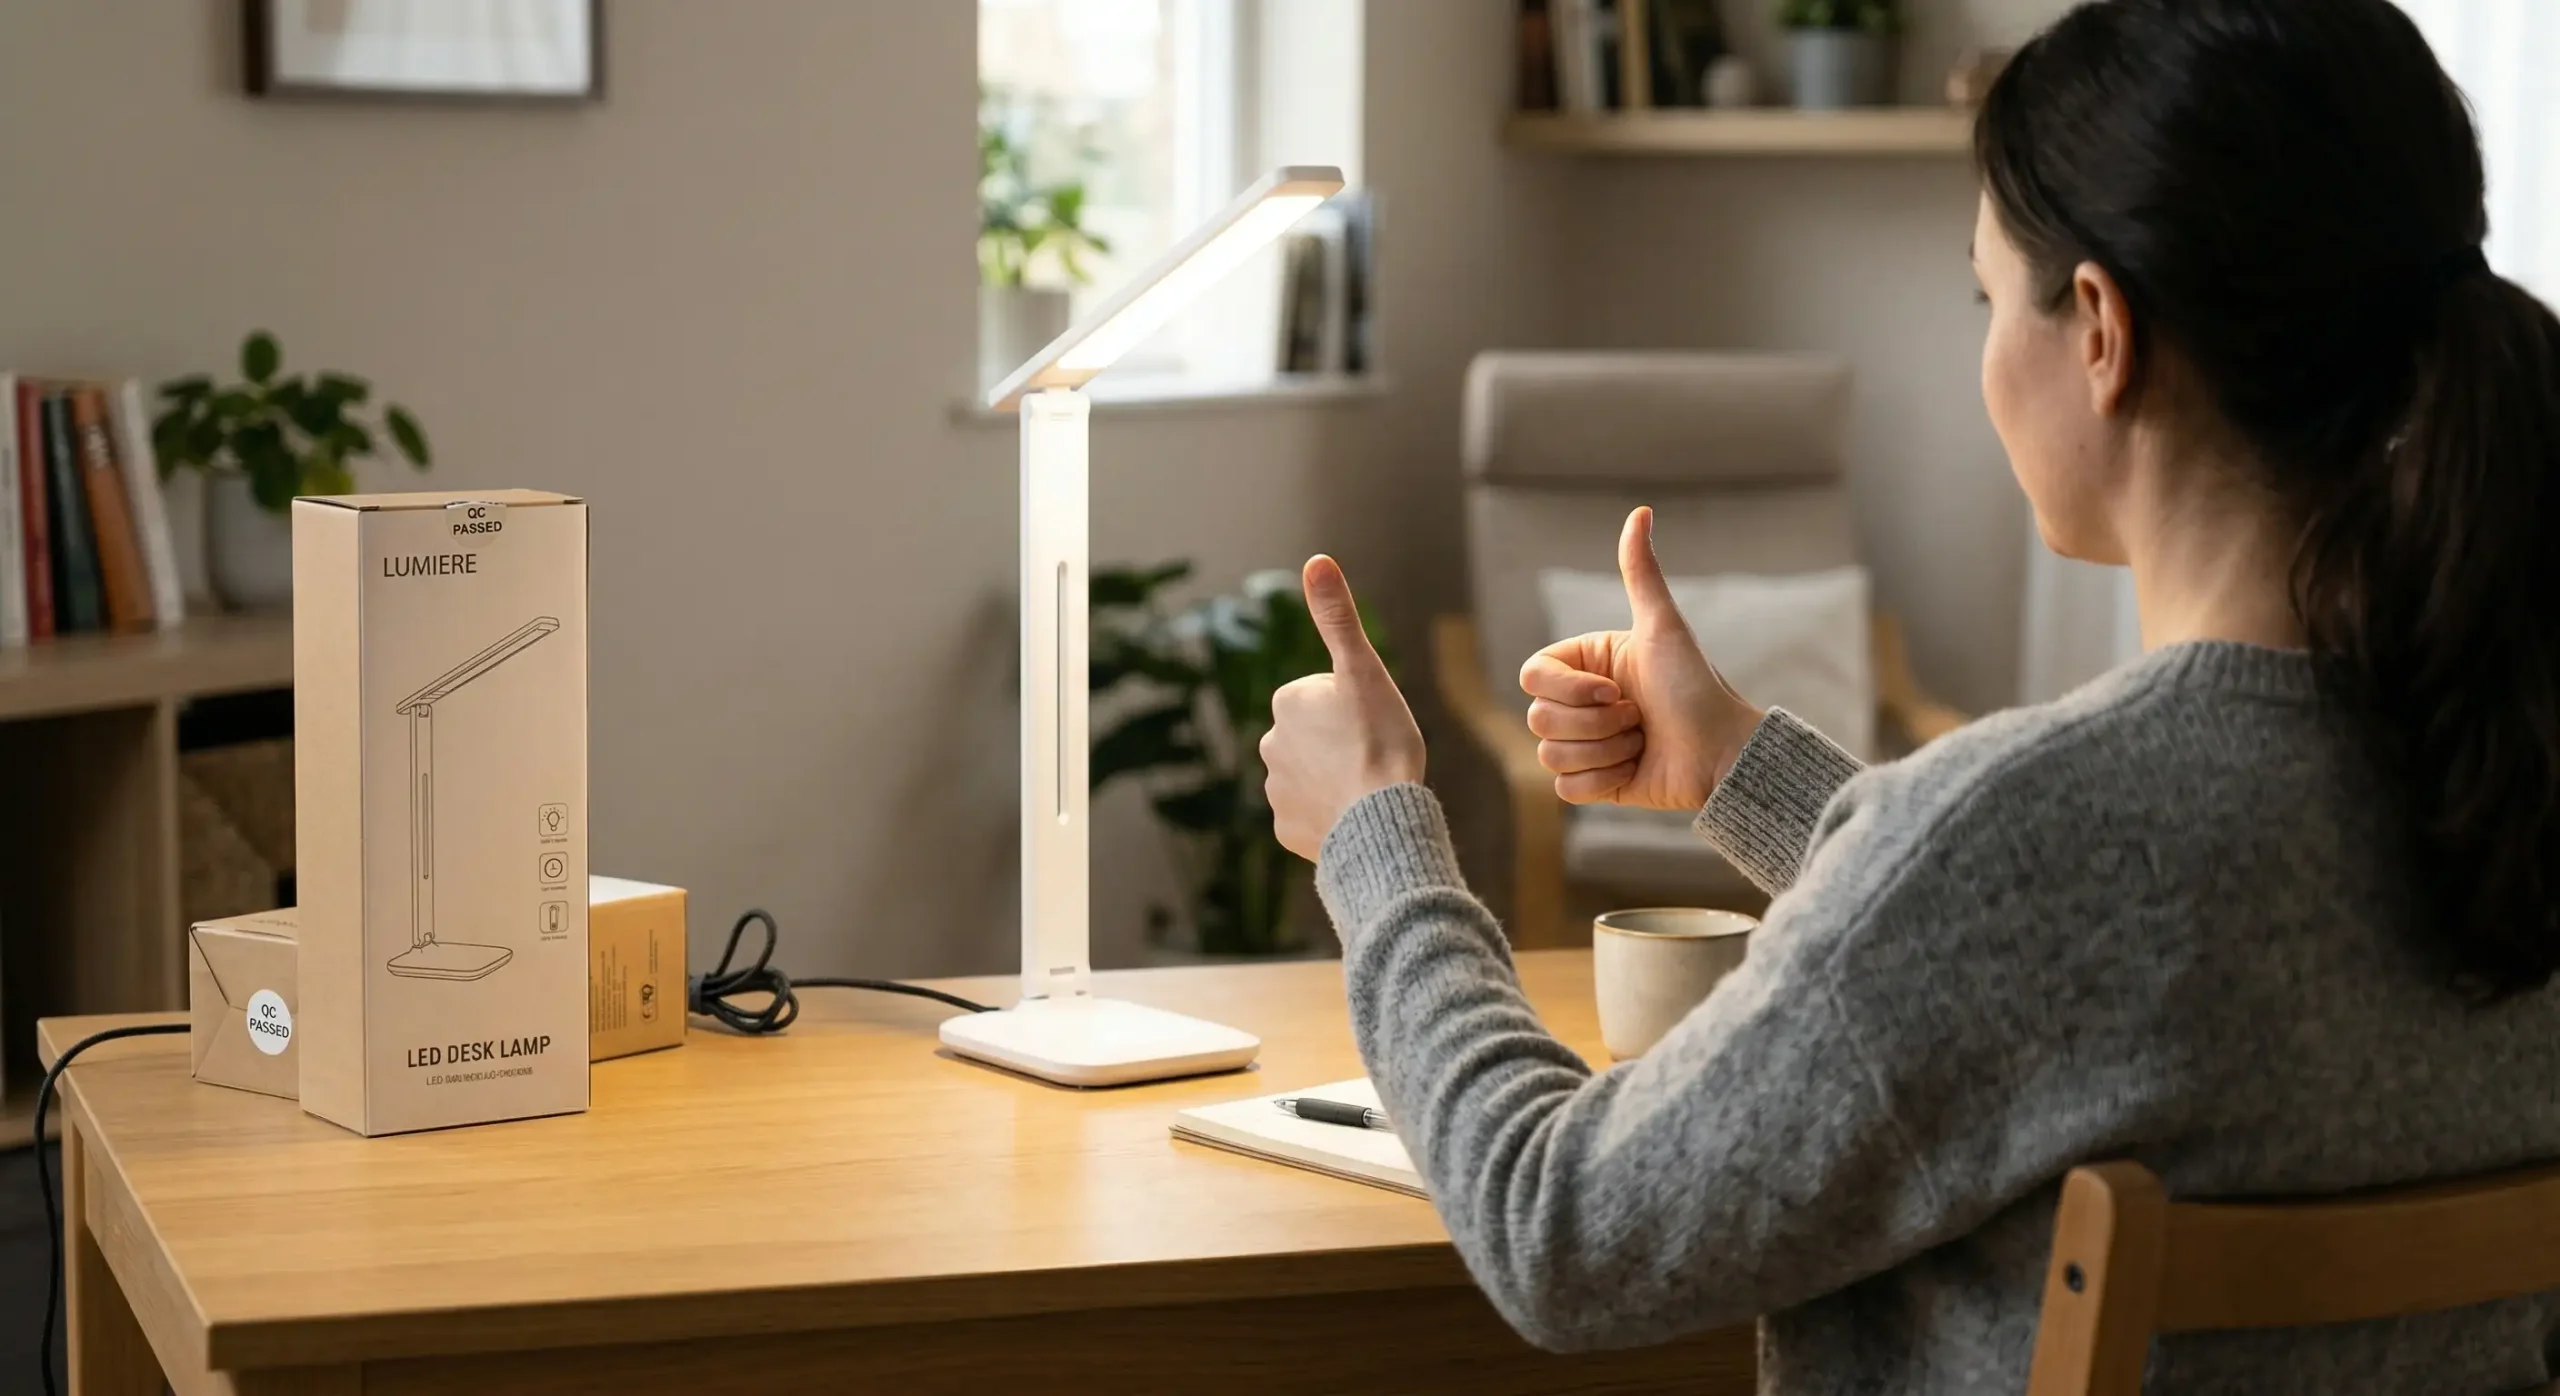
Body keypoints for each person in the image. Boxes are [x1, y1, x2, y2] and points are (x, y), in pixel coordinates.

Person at [1255, 0, 2560, 1389]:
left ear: (2101, 330)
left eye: (1988, 300)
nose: (1985, 353)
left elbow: (1559, 1229)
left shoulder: (2031, 841)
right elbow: (2054, 935)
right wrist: (1742, 769)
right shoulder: (2502, 767)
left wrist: (1378, 837)